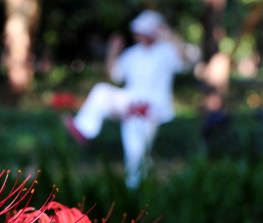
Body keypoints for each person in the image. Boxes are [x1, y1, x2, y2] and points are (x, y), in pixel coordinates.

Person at [64, 10, 187, 188]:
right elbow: (115, 75)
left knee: (137, 150)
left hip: (152, 106)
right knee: (102, 92)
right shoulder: (132, 54)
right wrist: (113, 51)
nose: (140, 36)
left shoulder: (167, 51)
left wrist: (168, 35)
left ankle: (139, 189)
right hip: (131, 101)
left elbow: (184, 61)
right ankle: (84, 129)